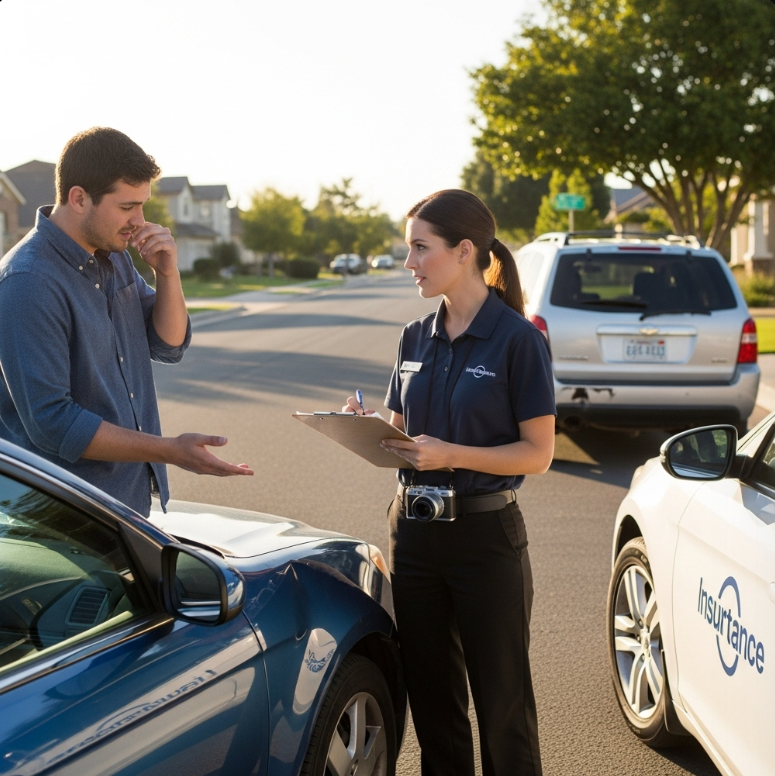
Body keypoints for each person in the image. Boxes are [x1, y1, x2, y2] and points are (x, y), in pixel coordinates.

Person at [344, 189, 555, 776]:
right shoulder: (413, 337)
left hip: (486, 540)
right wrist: (358, 429)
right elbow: (399, 438)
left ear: (465, 251)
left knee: (503, 706)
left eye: (419, 247)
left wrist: (451, 455)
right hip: (413, 537)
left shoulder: (519, 340)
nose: (408, 261)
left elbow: (538, 454)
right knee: (434, 703)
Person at [0, 127, 253, 517]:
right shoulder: (28, 282)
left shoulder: (113, 256)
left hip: (123, 503)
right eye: (127, 207)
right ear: (79, 198)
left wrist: (167, 274)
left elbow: (166, 345)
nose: (139, 221)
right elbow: (52, 422)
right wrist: (169, 450)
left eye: (142, 205)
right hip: (62, 516)